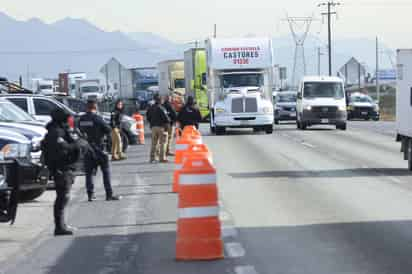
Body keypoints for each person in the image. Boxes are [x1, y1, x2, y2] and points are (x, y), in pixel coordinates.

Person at [42, 108, 80, 236]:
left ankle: (62, 225)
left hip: (64, 168)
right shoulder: (56, 132)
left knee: (64, 196)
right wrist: (76, 146)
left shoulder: (62, 130)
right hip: (60, 168)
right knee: (63, 197)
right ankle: (59, 226)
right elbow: (63, 149)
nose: (70, 120)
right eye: (67, 118)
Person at [79, 99, 121, 202]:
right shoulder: (97, 118)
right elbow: (108, 130)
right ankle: (109, 194)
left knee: (89, 173)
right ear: (95, 107)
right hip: (99, 148)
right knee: (105, 172)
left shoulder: (81, 119)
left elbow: (79, 131)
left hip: (87, 149)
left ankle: (90, 195)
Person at [146, 95, 170, 163]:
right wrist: (168, 123)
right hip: (161, 127)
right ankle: (162, 158)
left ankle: (152, 158)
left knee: (154, 143)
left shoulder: (150, 108)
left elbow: (148, 116)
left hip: (153, 127)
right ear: (160, 100)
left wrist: (151, 122)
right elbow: (166, 118)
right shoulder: (162, 108)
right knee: (163, 143)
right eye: (162, 100)